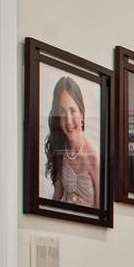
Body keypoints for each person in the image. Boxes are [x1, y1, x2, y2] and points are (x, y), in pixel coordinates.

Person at [43, 76, 99, 209]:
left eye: (73, 110)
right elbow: (57, 196)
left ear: (82, 114)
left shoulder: (94, 158)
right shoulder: (61, 151)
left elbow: (101, 210)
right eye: (62, 111)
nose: (68, 120)